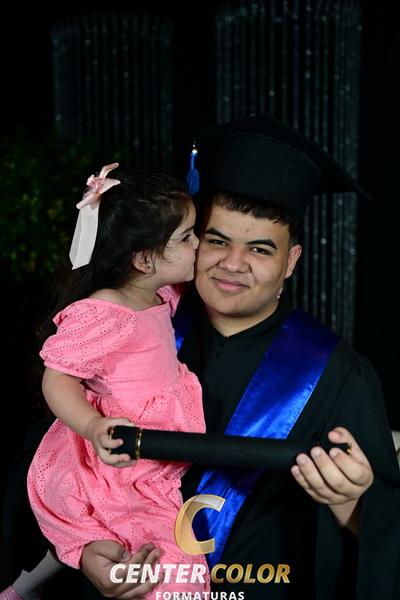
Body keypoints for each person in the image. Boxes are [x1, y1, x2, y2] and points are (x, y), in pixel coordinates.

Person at [77, 115, 400, 600]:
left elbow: (386, 532)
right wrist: (84, 550)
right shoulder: (125, 332)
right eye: (217, 240)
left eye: (260, 249)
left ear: (290, 261)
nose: (232, 264)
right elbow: (56, 463)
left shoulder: (337, 375)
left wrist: (353, 503)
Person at [1, 165, 210, 600]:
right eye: (187, 237)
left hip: (147, 461)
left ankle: (26, 588)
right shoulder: (106, 311)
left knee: (137, 541)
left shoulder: (157, 293)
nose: (199, 244)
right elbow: (58, 378)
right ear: (144, 259)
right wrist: (93, 426)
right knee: (172, 565)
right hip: (115, 465)